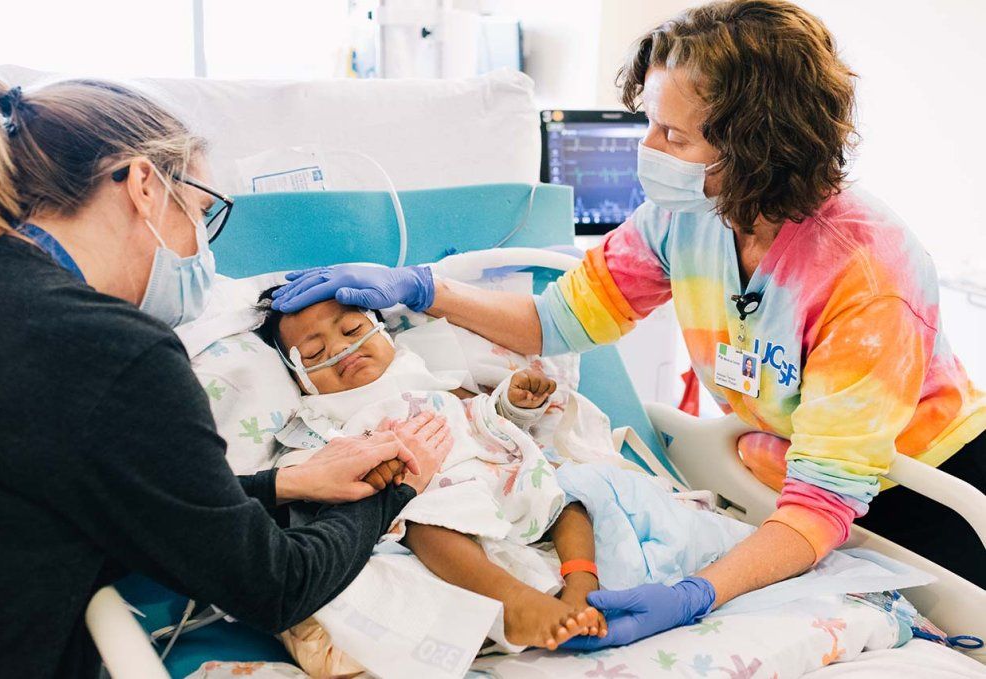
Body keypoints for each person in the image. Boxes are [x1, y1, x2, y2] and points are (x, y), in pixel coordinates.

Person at [270, 0, 986, 649]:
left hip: (927, 495)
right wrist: (425, 289)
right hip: (788, 477)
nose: (649, 150)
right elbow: (556, 319)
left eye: (673, 134)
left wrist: (696, 593)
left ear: (757, 147)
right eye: (650, 122)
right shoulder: (689, 215)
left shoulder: (866, 274)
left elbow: (821, 504)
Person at [0, 75, 452, 678]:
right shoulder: (114, 350)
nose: (203, 248)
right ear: (144, 184)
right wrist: (393, 488)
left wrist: (286, 483)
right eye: (202, 212)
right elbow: (273, 585)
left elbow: (132, 500)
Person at [257, 293, 608, 650]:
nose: (339, 349)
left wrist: (514, 405)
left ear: (383, 333)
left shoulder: (419, 371)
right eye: (314, 354)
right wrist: (372, 475)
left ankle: (581, 585)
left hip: (489, 468)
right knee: (426, 527)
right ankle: (514, 603)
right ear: (301, 379)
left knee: (567, 496)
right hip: (433, 496)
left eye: (352, 329)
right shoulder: (320, 417)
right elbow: (305, 476)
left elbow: (477, 414)